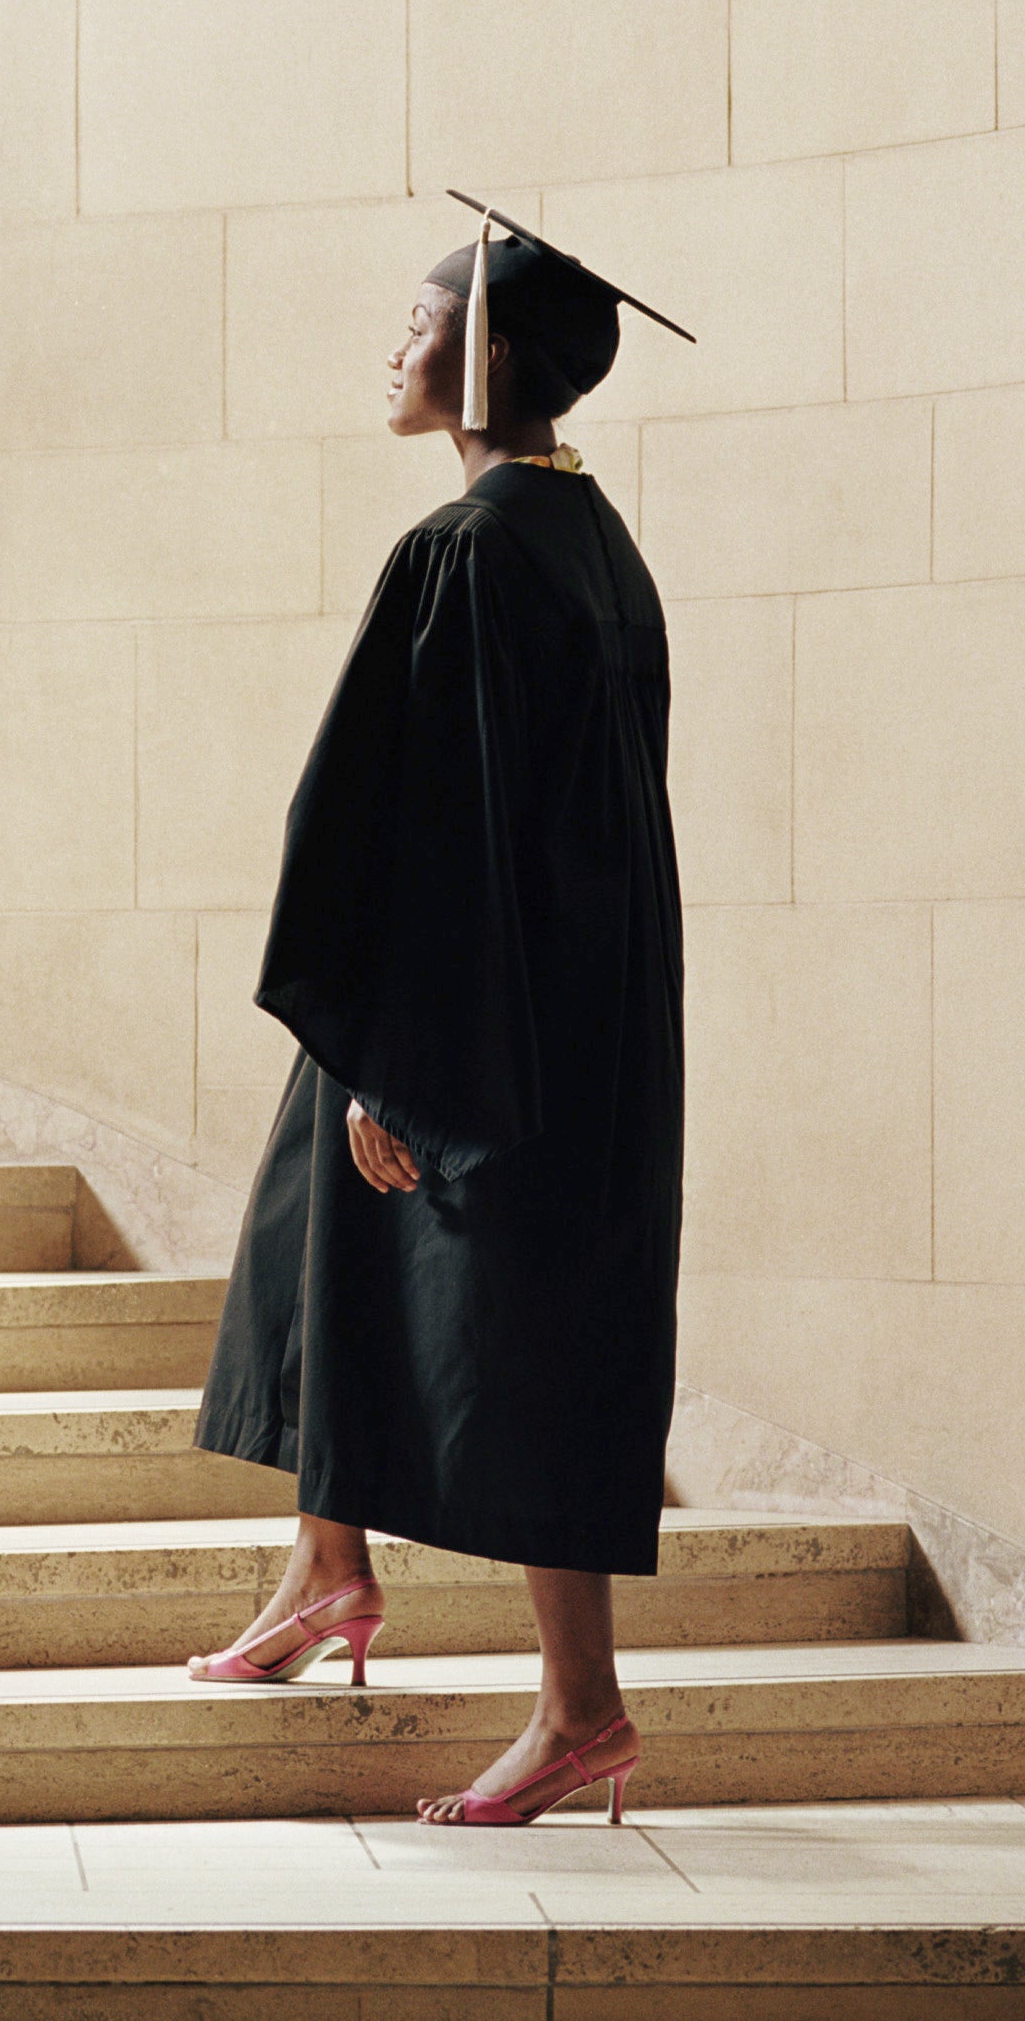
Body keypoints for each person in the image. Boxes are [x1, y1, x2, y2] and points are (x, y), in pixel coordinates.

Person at [187, 204, 686, 1829]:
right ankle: (327, 1563)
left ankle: (581, 1711)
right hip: (590, 1008)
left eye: (417, 318)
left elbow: (420, 828)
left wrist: (402, 1056)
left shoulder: (465, 553)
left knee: (531, 1331)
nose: (393, 345)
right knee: (309, 1201)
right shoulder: (597, 545)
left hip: (493, 1013)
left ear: (486, 356)